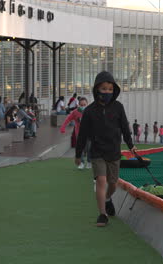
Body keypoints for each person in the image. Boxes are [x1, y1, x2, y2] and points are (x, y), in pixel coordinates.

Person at [75, 71, 136, 227]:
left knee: (113, 184)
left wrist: (131, 145)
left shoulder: (118, 107)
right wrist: (78, 153)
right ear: (97, 90)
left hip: (114, 151)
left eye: (110, 89)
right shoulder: (89, 111)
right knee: (101, 180)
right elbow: (82, 134)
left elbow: (124, 127)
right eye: (103, 89)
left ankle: (108, 199)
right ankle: (102, 214)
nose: (107, 92)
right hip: (97, 152)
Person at [61, 97, 90, 169]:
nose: (83, 106)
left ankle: (89, 162)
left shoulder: (90, 111)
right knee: (80, 149)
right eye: (81, 105)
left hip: (89, 134)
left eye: (84, 104)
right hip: (79, 134)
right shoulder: (75, 112)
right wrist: (63, 127)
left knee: (89, 148)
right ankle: (81, 163)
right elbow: (68, 119)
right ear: (78, 105)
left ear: (87, 104)